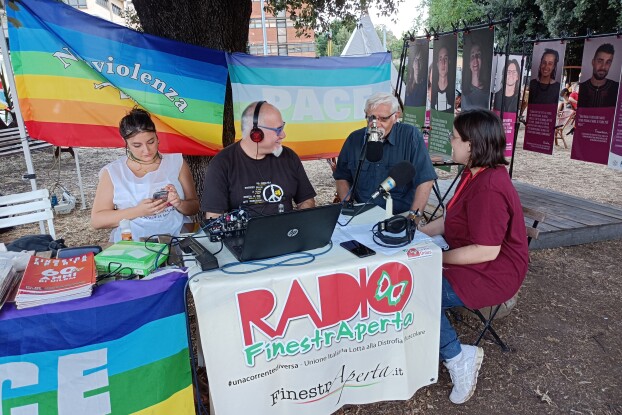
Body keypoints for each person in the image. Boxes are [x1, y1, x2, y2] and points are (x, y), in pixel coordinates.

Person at [419, 109, 528, 404]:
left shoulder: (490, 187)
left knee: (419, 292)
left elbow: (487, 250)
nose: (450, 144)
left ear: (472, 144)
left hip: (492, 272)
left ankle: (458, 357)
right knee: (413, 280)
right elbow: (448, 220)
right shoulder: (473, 173)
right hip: (470, 258)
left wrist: (436, 258)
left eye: (454, 138)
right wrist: (416, 236)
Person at [91, 108, 199, 242]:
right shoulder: (113, 172)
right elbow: (97, 220)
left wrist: (179, 203)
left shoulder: (176, 162)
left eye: (151, 142)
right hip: (135, 243)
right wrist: (139, 211)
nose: (146, 150)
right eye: (137, 145)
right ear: (126, 144)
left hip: (178, 236)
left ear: (157, 136)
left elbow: (194, 207)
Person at [201, 101, 316, 218]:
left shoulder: (289, 157)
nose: (283, 135)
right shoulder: (222, 163)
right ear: (256, 134)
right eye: (278, 130)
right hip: (244, 236)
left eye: (282, 127)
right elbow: (214, 217)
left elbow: (306, 201)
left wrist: (298, 225)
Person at [333, 92, 437, 219]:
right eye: (371, 118)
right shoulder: (354, 139)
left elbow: (425, 180)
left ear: (395, 116)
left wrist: (412, 218)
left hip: (399, 215)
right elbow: (342, 177)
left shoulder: (410, 136)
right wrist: (348, 207)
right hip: (361, 212)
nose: (376, 124)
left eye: (383, 119)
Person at [578, 43, 620, 108]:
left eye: (608, 62)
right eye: (600, 61)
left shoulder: (617, 88)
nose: (603, 67)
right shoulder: (581, 88)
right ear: (593, 62)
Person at [461, 43, 490, 110]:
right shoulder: (464, 91)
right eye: (472, 56)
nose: (475, 59)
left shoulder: (487, 92)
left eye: (478, 55)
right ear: (468, 63)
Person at [431, 45, 455, 113]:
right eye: (440, 59)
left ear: (449, 62)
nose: (443, 63)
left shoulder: (453, 91)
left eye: (446, 59)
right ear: (437, 64)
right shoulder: (431, 91)